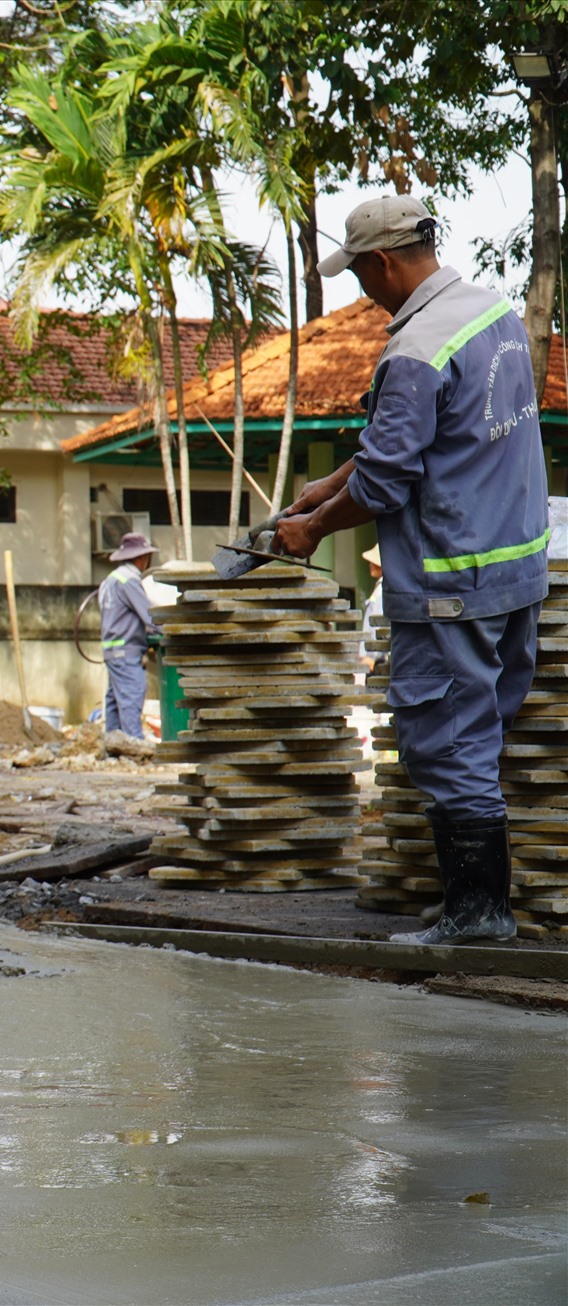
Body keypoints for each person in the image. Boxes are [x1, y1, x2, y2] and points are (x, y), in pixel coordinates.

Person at [273, 194, 548, 946]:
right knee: (480, 734)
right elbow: (433, 444)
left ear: (383, 262)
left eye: (360, 275)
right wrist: (323, 489)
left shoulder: (414, 349)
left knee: (445, 741)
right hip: (514, 570)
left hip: (450, 581)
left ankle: (478, 915)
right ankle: (472, 901)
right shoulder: (495, 319)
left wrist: (314, 530)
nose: (361, 291)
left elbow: (388, 481)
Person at [98, 531, 159, 738]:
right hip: (126, 651)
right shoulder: (129, 580)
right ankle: (133, 745)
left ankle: (113, 746)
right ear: (142, 558)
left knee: (115, 701)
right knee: (132, 695)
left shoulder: (110, 580)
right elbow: (150, 617)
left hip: (112, 650)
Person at [358, 543, 386, 673]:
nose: (370, 564)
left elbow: (379, 625)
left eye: (373, 562)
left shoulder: (383, 590)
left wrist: (371, 656)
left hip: (377, 661)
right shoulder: (381, 588)